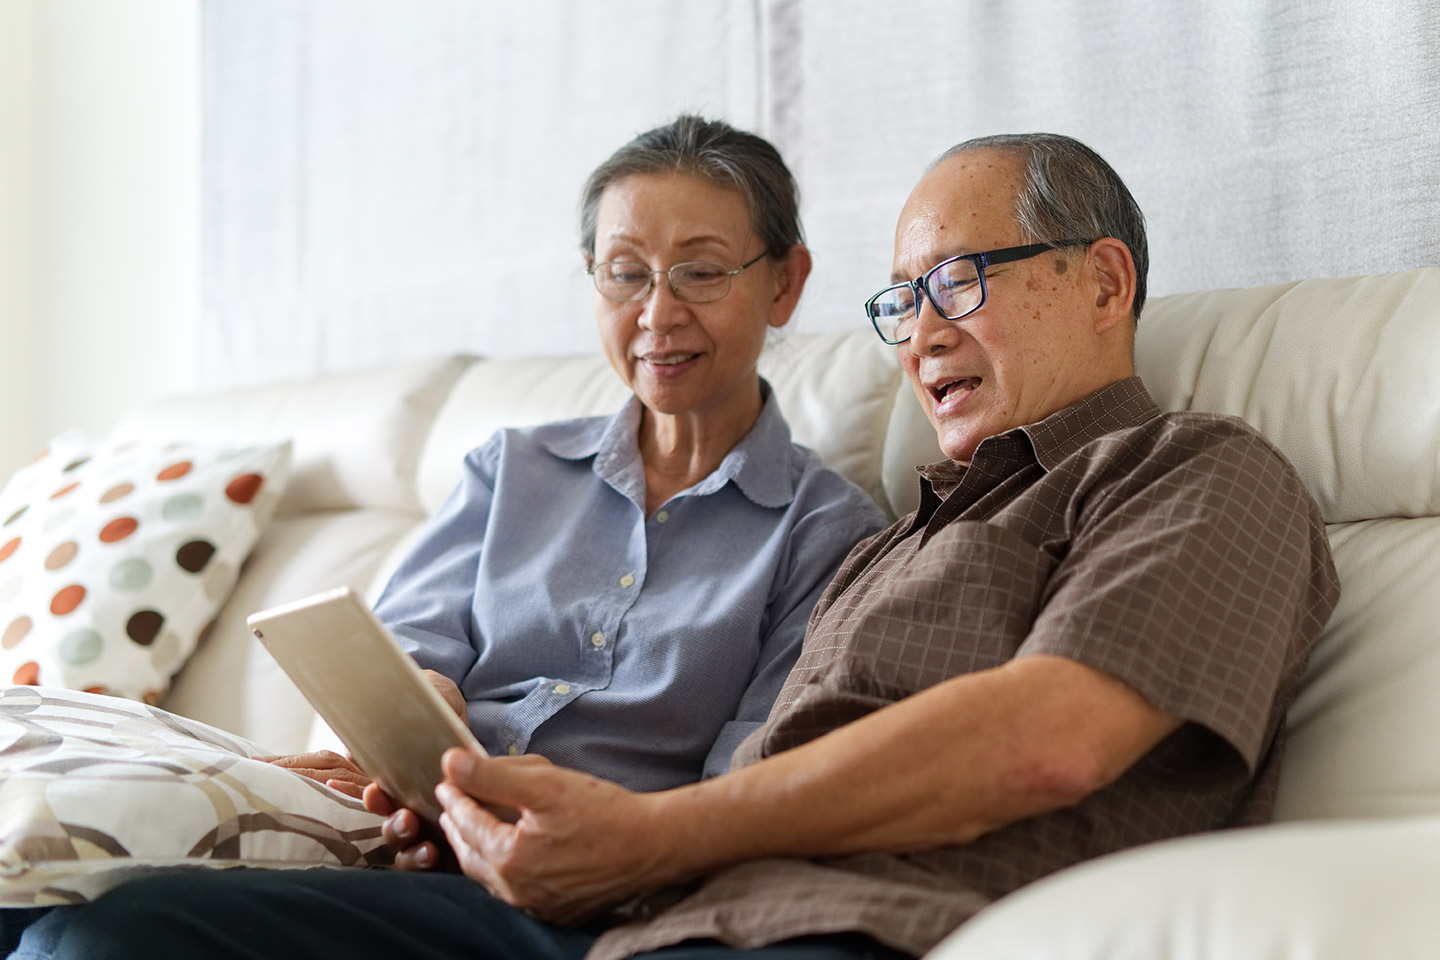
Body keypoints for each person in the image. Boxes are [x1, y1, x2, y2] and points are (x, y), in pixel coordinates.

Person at [28, 133, 1339, 960]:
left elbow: (1049, 738)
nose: (923, 332)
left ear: (1105, 281)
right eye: (905, 301)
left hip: (812, 927)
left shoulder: (1199, 473)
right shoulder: (907, 537)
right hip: (636, 922)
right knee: (99, 934)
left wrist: (645, 839)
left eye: (962, 281)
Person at [3, 116, 885, 958]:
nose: (657, 313)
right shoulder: (512, 468)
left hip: (593, 897)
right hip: (407, 847)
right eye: (624, 273)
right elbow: (400, 649)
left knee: (104, 936)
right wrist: (410, 718)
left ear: (785, 282)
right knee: (45, 907)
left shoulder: (828, 532)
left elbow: (748, 781)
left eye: (699, 272)